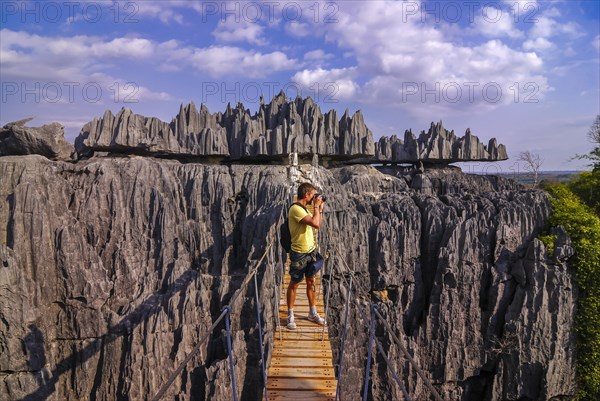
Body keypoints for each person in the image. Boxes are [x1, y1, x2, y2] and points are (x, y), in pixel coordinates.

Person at [286, 182, 326, 330]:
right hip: (299, 253)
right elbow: (315, 224)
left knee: (311, 282)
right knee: (294, 284)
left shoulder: (304, 209)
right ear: (306, 195)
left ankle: (312, 312)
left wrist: (319, 209)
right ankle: (290, 314)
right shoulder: (296, 209)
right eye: (313, 195)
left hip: (311, 251)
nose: (314, 197)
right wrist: (316, 207)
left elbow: (318, 224)